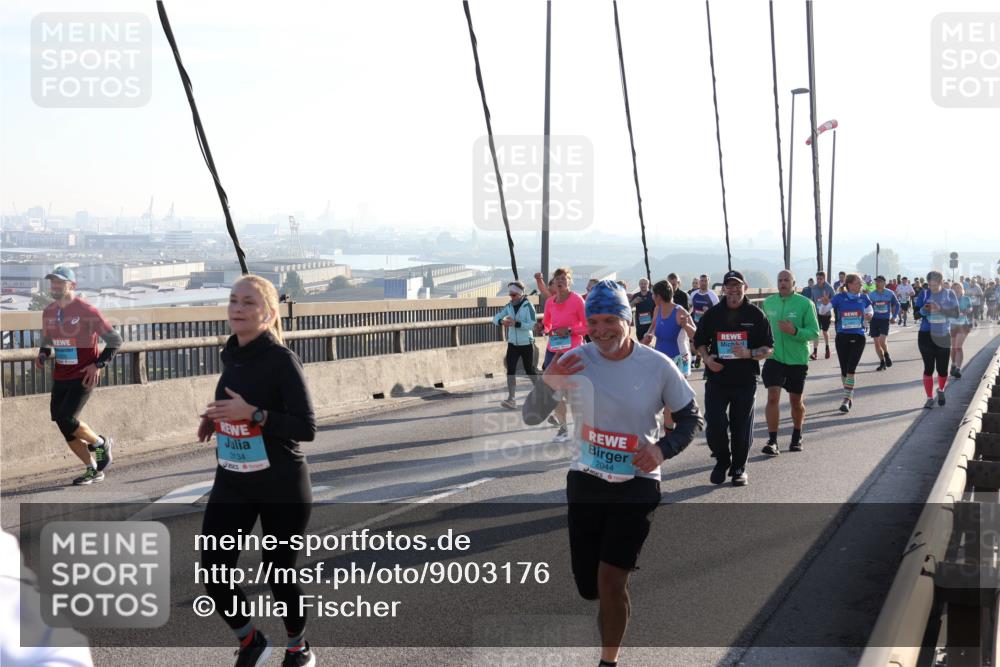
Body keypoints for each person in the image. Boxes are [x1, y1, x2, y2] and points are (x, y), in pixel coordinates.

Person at [521, 280, 703, 667]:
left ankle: (609, 661)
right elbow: (532, 414)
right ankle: (608, 613)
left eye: (611, 320)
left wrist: (661, 449)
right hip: (586, 480)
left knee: (611, 580)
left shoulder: (657, 365)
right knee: (591, 587)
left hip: (637, 484)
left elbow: (690, 418)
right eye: (595, 321)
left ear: (627, 320)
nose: (602, 330)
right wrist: (550, 380)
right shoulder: (575, 359)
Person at [197, 275, 318, 667]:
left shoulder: (282, 360)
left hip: (281, 482)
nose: (237, 308)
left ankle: (298, 647)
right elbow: (238, 402)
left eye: (248, 302)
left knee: (278, 572)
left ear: (267, 313)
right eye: (233, 300)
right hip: (233, 478)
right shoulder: (232, 355)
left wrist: (254, 414)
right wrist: (216, 419)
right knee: (214, 570)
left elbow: (305, 427)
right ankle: (251, 641)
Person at [34, 266, 121, 486]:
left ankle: (100, 443)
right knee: (64, 425)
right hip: (61, 375)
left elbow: (115, 341)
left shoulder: (86, 311)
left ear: (72, 285)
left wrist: (98, 364)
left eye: (59, 282)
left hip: (83, 375)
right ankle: (92, 469)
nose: (54, 286)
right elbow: (47, 341)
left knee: (66, 418)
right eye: (52, 282)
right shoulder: (49, 312)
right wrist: (43, 354)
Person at [693, 270, 774, 486]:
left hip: (744, 380)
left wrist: (749, 353)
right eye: (729, 286)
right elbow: (699, 341)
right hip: (717, 378)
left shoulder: (756, 315)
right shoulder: (713, 314)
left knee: (741, 426)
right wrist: (707, 359)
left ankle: (739, 468)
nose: (733, 290)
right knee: (715, 424)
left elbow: (769, 348)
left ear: (744, 287)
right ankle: (722, 459)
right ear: (724, 289)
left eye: (737, 285)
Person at [761, 270, 819, 455]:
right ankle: (772, 441)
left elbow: (814, 332)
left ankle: (797, 435)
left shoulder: (805, 304)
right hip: (774, 357)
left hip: (797, 360)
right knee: (772, 397)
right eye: (780, 280)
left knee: (795, 401)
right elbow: (761, 329)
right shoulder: (768, 303)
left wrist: (794, 331)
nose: (783, 283)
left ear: (794, 283)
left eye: (787, 280)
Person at [542, 267, 588, 443]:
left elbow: (587, 327)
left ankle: (581, 426)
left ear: (569, 282)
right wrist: (542, 328)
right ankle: (562, 430)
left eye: (564, 278)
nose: (560, 281)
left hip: (572, 352)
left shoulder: (577, 300)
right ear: (553, 283)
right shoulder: (550, 302)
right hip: (553, 352)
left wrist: (569, 330)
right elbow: (547, 325)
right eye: (557, 279)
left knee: (571, 394)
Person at [914, 271, 960, 408]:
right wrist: (923, 310)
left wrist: (940, 309)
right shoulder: (924, 293)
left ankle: (940, 390)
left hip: (942, 336)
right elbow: (916, 315)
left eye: (935, 285)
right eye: (930, 285)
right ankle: (929, 398)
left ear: (941, 282)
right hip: (925, 335)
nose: (932, 288)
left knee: (942, 370)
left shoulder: (949, 294)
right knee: (928, 368)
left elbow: (956, 315)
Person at [830, 274, 874, 413]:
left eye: (861, 283)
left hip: (858, 336)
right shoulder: (839, 297)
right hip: (842, 336)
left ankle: (846, 399)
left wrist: (870, 315)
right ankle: (848, 396)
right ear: (849, 284)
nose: (860, 285)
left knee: (850, 370)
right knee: (844, 370)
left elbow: (870, 310)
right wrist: (825, 304)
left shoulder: (864, 297)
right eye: (858, 283)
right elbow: (824, 310)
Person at [493, 280, 538, 409]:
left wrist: (516, 324)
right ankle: (511, 399)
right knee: (510, 370)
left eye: (514, 295)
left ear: (520, 294)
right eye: (510, 294)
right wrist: (502, 321)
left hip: (526, 343)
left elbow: (533, 325)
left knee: (529, 370)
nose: (511, 297)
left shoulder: (528, 306)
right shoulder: (509, 306)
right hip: (513, 343)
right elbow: (495, 318)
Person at [869, 276, 901, 371]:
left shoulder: (889, 293)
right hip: (874, 320)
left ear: (884, 282)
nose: (877, 283)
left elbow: (897, 304)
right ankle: (882, 362)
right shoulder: (872, 294)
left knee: (882, 341)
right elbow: (867, 306)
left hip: (884, 319)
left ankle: (886, 355)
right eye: (876, 282)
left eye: (879, 281)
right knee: (876, 343)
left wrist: (894, 316)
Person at [689, 274, 720, 369]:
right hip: (695, 323)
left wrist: (708, 312)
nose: (703, 283)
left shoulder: (712, 296)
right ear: (699, 282)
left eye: (705, 281)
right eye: (701, 281)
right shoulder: (694, 294)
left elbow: (718, 312)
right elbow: (690, 308)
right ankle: (698, 356)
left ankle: (706, 368)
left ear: (708, 282)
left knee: (706, 347)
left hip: (707, 325)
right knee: (693, 346)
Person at [803, 271, 835, 360]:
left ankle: (827, 348)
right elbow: (812, 300)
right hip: (817, 313)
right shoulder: (814, 288)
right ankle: (815, 352)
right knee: (816, 332)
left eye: (820, 279)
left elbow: (835, 299)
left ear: (824, 279)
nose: (819, 280)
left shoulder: (829, 288)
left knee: (825, 332)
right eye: (817, 279)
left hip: (826, 313)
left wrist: (827, 300)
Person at [948, 281, 972, 380]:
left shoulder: (966, 298)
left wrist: (964, 311)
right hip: (952, 325)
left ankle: (958, 368)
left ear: (961, 289)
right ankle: (953, 365)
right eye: (954, 288)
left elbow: (970, 308)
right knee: (953, 348)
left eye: (958, 287)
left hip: (963, 325)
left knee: (958, 347)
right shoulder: (949, 299)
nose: (956, 289)